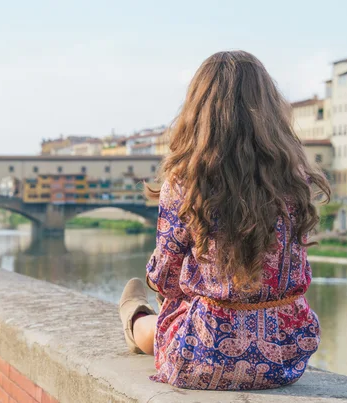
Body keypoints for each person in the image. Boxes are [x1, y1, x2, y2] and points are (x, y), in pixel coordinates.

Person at [118, 50, 331, 391]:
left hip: (204, 353)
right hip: (287, 353)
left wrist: (192, 293)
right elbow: (298, 272)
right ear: (270, 108)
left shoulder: (186, 180)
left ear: (198, 110)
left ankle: (135, 319)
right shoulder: (296, 178)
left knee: (161, 320)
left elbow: (165, 277)